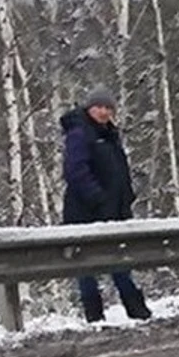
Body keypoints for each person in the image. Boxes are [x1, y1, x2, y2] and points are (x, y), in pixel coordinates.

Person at [61, 89, 150, 323]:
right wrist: (97, 197)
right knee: (86, 267)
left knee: (119, 260)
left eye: (108, 108)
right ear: (89, 108)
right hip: (84, 212)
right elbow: (75, 171)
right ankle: (94, 315)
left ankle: (136, 310)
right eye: (99, 107)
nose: (104, 112)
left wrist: (125, 197)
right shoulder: (80, 132)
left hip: (112, 211)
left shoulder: (109, 134)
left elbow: (118, 170)